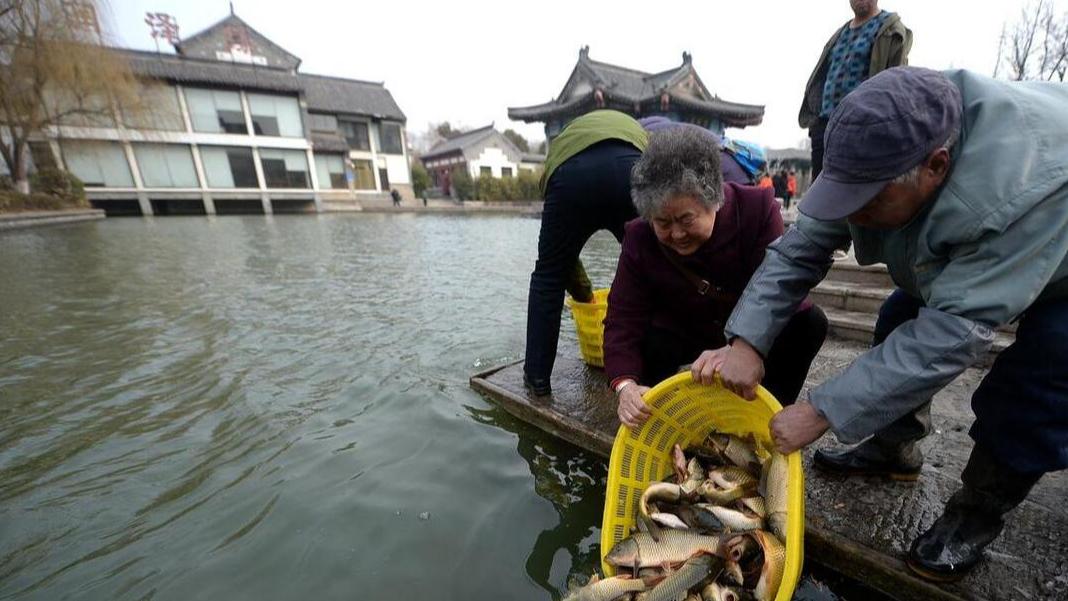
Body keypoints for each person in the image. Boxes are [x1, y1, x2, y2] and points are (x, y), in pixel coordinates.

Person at [707, 67, 1068, 582]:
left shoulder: (1026, 190)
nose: (852, 213)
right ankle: (895, 447)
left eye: (868, 201)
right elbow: (799, 251)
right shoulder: (886, 135)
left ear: (936, 166)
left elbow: (952, 334)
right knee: (900, 312)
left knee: (1042, 374)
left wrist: (822, 409)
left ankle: (974, 516)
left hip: (1059, 226)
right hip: (983, 224)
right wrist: (747, 340)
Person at [605, 127, 827, 428]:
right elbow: (622, 319)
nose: (677, 234)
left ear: (714, 198)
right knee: (650, 342)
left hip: (746, 329)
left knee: (809, 323)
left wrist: (744, 345)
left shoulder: (756, 210)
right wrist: (625, 386)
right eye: (663, 223)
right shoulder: (638, 237)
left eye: (686, 219)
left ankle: (762, 417)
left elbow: (781, 292)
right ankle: (661, 417)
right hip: (682, 331)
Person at [523, 110, 647, 396]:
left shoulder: (561, 147)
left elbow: (562, 263)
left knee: (548, 278)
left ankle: (536, 380)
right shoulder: (640, 134)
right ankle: (651, 375)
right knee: (650, 266)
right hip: (631, 169)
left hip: (569, 176)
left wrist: (583, 294)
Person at [800, 0, 911, 178]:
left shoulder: (891, 30)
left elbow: (897, 83)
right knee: (817, 197)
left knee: (852, 195)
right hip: (824, 127)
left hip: (859, 129)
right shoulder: (840, 34)